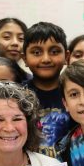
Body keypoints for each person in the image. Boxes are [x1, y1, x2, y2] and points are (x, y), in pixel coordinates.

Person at [22, 22, 73, 156]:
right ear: (25, 59)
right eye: (36, 52)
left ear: (67, 57)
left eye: (54, 52)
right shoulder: (17, 95)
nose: (46, 59)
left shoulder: (76, 93)